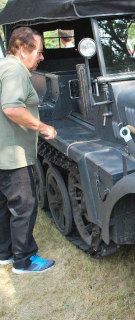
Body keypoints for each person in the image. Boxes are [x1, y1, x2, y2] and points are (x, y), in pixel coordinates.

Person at [0, 27, 57, 274]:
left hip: (4, 150)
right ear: (24, 49)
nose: (41, 57)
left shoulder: (6, 66)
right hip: (13, 154)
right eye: (39, 51)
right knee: (24, 205)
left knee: (4, 205)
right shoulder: (15, 70)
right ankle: (24, 261)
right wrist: (42, 126)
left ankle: (5, 253)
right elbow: (11, 108)